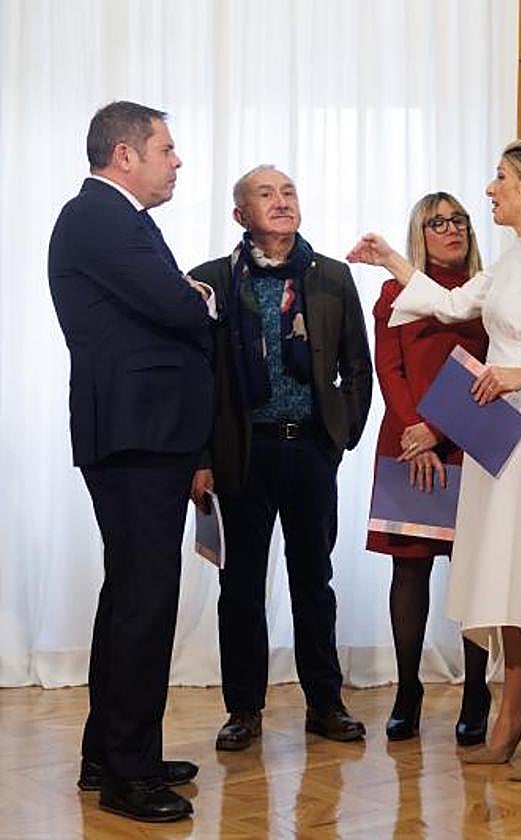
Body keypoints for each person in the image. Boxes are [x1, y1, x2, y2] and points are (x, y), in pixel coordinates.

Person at [347, 137, 521, 781]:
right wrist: (389, 258)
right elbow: (449, 305)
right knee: (501, 569)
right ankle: (515, 710)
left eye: (499, 178)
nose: (489, 189)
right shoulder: (514, 258)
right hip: (496, 433)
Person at [48, 101, 216, 823]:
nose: (176, 161)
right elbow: (180, 309)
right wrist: (199, 298)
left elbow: (176, 302)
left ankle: (110, 754)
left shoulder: (120, 219)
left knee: (130, 598)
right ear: (125, 154)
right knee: (144, 603)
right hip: (135, 435)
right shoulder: (97, 217)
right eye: (167, 148)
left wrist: (193, 297)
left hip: (145, 433)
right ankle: (129, 774)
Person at [189, 165, 373, 751]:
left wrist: (340, 436)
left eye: (289, 192)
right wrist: (199, 456)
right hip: (241, 453)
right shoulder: (211, 281)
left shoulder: (332, 278)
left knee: (313, 581)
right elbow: (194, 381)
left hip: (310, 450)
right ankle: (243, 709)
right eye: (266, 194)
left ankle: (325, 703)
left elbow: (356, 367)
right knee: (241, 587)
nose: (282, 201)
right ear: (240, 215)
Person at [366, 192, 491, 744]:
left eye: (458, 219)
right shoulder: (396, 291)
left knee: (474, 573)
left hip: (471, 439)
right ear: (420, 232)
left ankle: (477, 693)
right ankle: (408, 689)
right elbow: (388, 369)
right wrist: (416, 434)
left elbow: (494, 368)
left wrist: (439, 431)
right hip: (407, 442)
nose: (450, 229)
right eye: (437, 222)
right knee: (410, 569)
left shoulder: (487, 290)